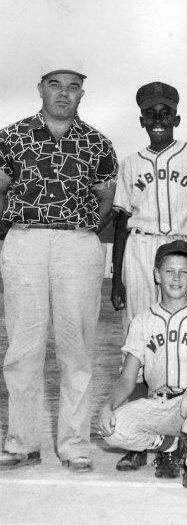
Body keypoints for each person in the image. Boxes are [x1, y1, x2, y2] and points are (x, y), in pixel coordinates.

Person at [0, 65, 118, 473]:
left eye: (73, 87)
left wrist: (77, 229)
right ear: (40, 89)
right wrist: (18, 227)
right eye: (55, 85)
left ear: (82, 94)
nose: (63, 93)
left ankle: (74, 444)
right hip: (25, 240)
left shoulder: (98, 143)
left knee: (77, 349)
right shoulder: (11, 137)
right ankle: (22, 442)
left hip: (78, 243)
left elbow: (105, 202)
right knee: (23, 347)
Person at [110, 81, 187, 471]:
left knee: (184, 336)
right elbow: (121, 221)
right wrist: (117, 277)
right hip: (140, 248)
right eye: (151, 114)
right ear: (142, 120)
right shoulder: (130, 162)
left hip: (179, 247)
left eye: (165, 113)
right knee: (138, 341)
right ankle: (140, 437)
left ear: (176, 117)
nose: (158, 119)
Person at [98, 241, 187, 483]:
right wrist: (108, 405)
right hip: (160, 406)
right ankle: (170, 445)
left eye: (183, 272)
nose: (176, 278)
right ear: (157, 275)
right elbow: (128, 378)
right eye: (169, 271)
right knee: (111, 429)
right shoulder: (142, 321)